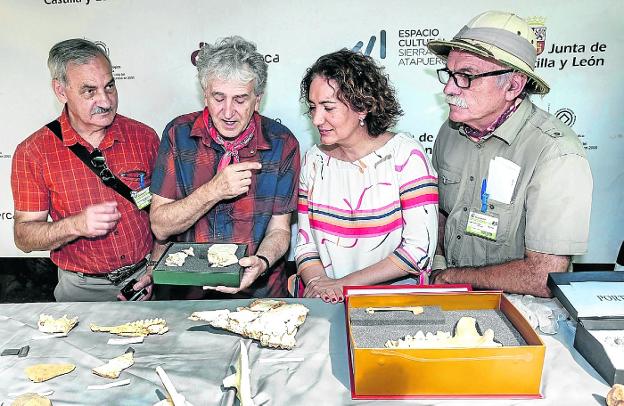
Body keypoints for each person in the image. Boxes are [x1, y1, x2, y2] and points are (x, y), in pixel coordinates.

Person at [426, 11, 593, 297]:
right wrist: (439, 269)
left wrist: (451, 278)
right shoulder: (450, 132)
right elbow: (441, 212)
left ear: (513, 86)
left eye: (466, 76)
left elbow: (544, 276)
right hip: (448, 297)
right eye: (450, 74)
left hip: (521, 312)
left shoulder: (556, 154)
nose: (448, 88)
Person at [11, 38, 163, 302]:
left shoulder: (145, 137)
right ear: (61, 91)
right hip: (81, 291)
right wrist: (75, 225)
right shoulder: (33, 152)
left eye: (110, 86)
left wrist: (153, 271)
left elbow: (164, 215)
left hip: (144, 278)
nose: (105, 100)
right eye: (89, 91)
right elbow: (24, 236)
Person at [149, 36, 300, 299]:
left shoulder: (282, 143)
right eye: (218, 97)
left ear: (258, 99)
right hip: (188, 294)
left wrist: (262, 262)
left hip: (258, 293)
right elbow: (161, 226)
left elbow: (280, 229)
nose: (228, 112)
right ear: (204, 94)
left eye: (240, 100)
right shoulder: (178, 134)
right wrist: (213, 190)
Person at [295, 50, 439, 303]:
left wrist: (342, 286)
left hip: (393, 305)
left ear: (363, 106)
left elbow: (418, 251)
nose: (317, 119)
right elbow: (306, 244)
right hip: (325, 300)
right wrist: (321, 286)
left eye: (329, 107)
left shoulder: (406, 156)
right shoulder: (313, 160)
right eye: (313, 107)